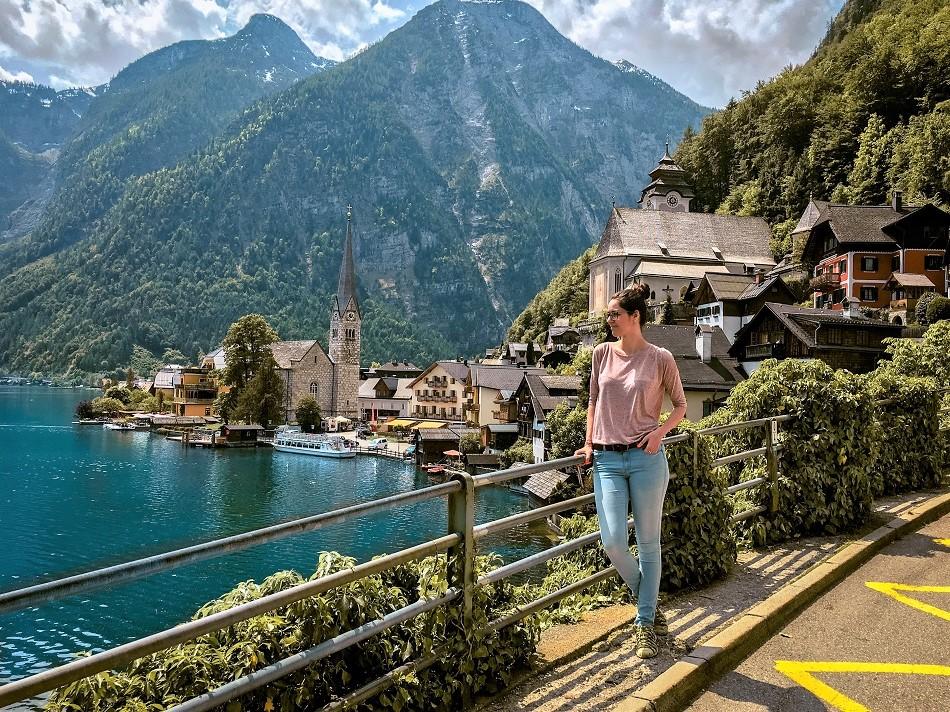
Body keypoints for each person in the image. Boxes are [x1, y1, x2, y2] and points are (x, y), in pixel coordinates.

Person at [574, 284, 687, 659]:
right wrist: (589, 443)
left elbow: (681, 406)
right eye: (608, 315)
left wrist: (659, 432)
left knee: (649, 543)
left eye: (614, 315)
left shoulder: (660, 358)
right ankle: (651, 609)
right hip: (605, 459)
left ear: (635, 317)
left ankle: (644, 624)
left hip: (646, 459)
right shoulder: (601, 354)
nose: (608, 320)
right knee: (613, 542)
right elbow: (593, 400)